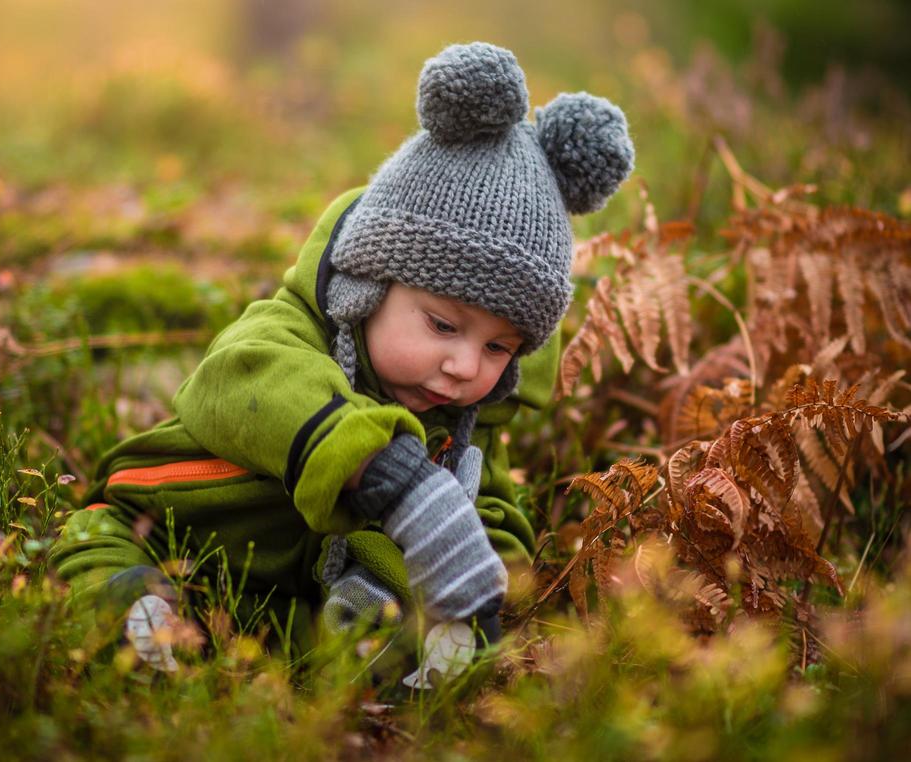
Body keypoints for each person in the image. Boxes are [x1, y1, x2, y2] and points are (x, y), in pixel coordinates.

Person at [49, 41, 634, 671]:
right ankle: (135, 615)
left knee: (385, 632)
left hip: (287, 601)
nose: (465, 366)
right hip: (164, 526)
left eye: (498, 347)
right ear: (368, 286)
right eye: (442, 325)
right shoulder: (285, 336)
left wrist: (474, 585)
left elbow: (490, 510)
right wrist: (391, 477)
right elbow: (243, 381)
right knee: (102, 553)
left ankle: (354, 654)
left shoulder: (465, 423)